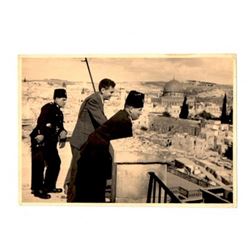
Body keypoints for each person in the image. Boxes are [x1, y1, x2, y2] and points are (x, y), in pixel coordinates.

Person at [68, 90, 145, 202]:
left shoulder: (121, 115)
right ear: (130, 108)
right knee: (92, 197)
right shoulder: (125, 122)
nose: (141, 113)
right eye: (139, 109)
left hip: (89, 158)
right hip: (94, 162)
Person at [64, 78, 116, 200]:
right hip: (81, 142)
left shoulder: (98, 100)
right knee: (76, 174)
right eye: (111, 92)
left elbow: (101, 118)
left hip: (85, 142)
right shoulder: (94, 100)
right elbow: (102, 121)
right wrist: (116, 127)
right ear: (103, 90)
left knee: (77, 171)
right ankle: (71, 199)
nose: (112, 95)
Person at [30, 89, 67, 199]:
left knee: (55, 162)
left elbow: (59, 126)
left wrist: (63, 131)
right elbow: (41, 122)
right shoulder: (48, 108)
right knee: (39, 165)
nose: (65, 102)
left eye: (66, 100)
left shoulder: (59, 112)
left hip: (50, 142)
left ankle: (49, 186)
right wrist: (40, 134)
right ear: (55, 98)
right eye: (63, 99)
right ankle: (37, 189)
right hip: (40, 140)